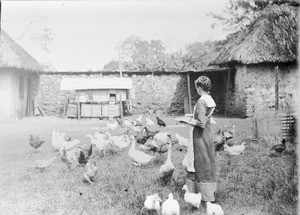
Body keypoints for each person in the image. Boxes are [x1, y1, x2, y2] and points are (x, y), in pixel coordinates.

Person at [183, 75, 217, 203]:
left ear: (199, 87)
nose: (196, 89)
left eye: (196, 87)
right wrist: (192, 115)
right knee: (206, 161)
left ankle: (197, 194)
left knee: (198, 162)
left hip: (199, 136)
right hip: (207, 134)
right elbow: (205, 117)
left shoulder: (201, 101)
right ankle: (209, 193)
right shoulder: (209, 99)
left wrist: (187, 121)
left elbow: (201, 122)